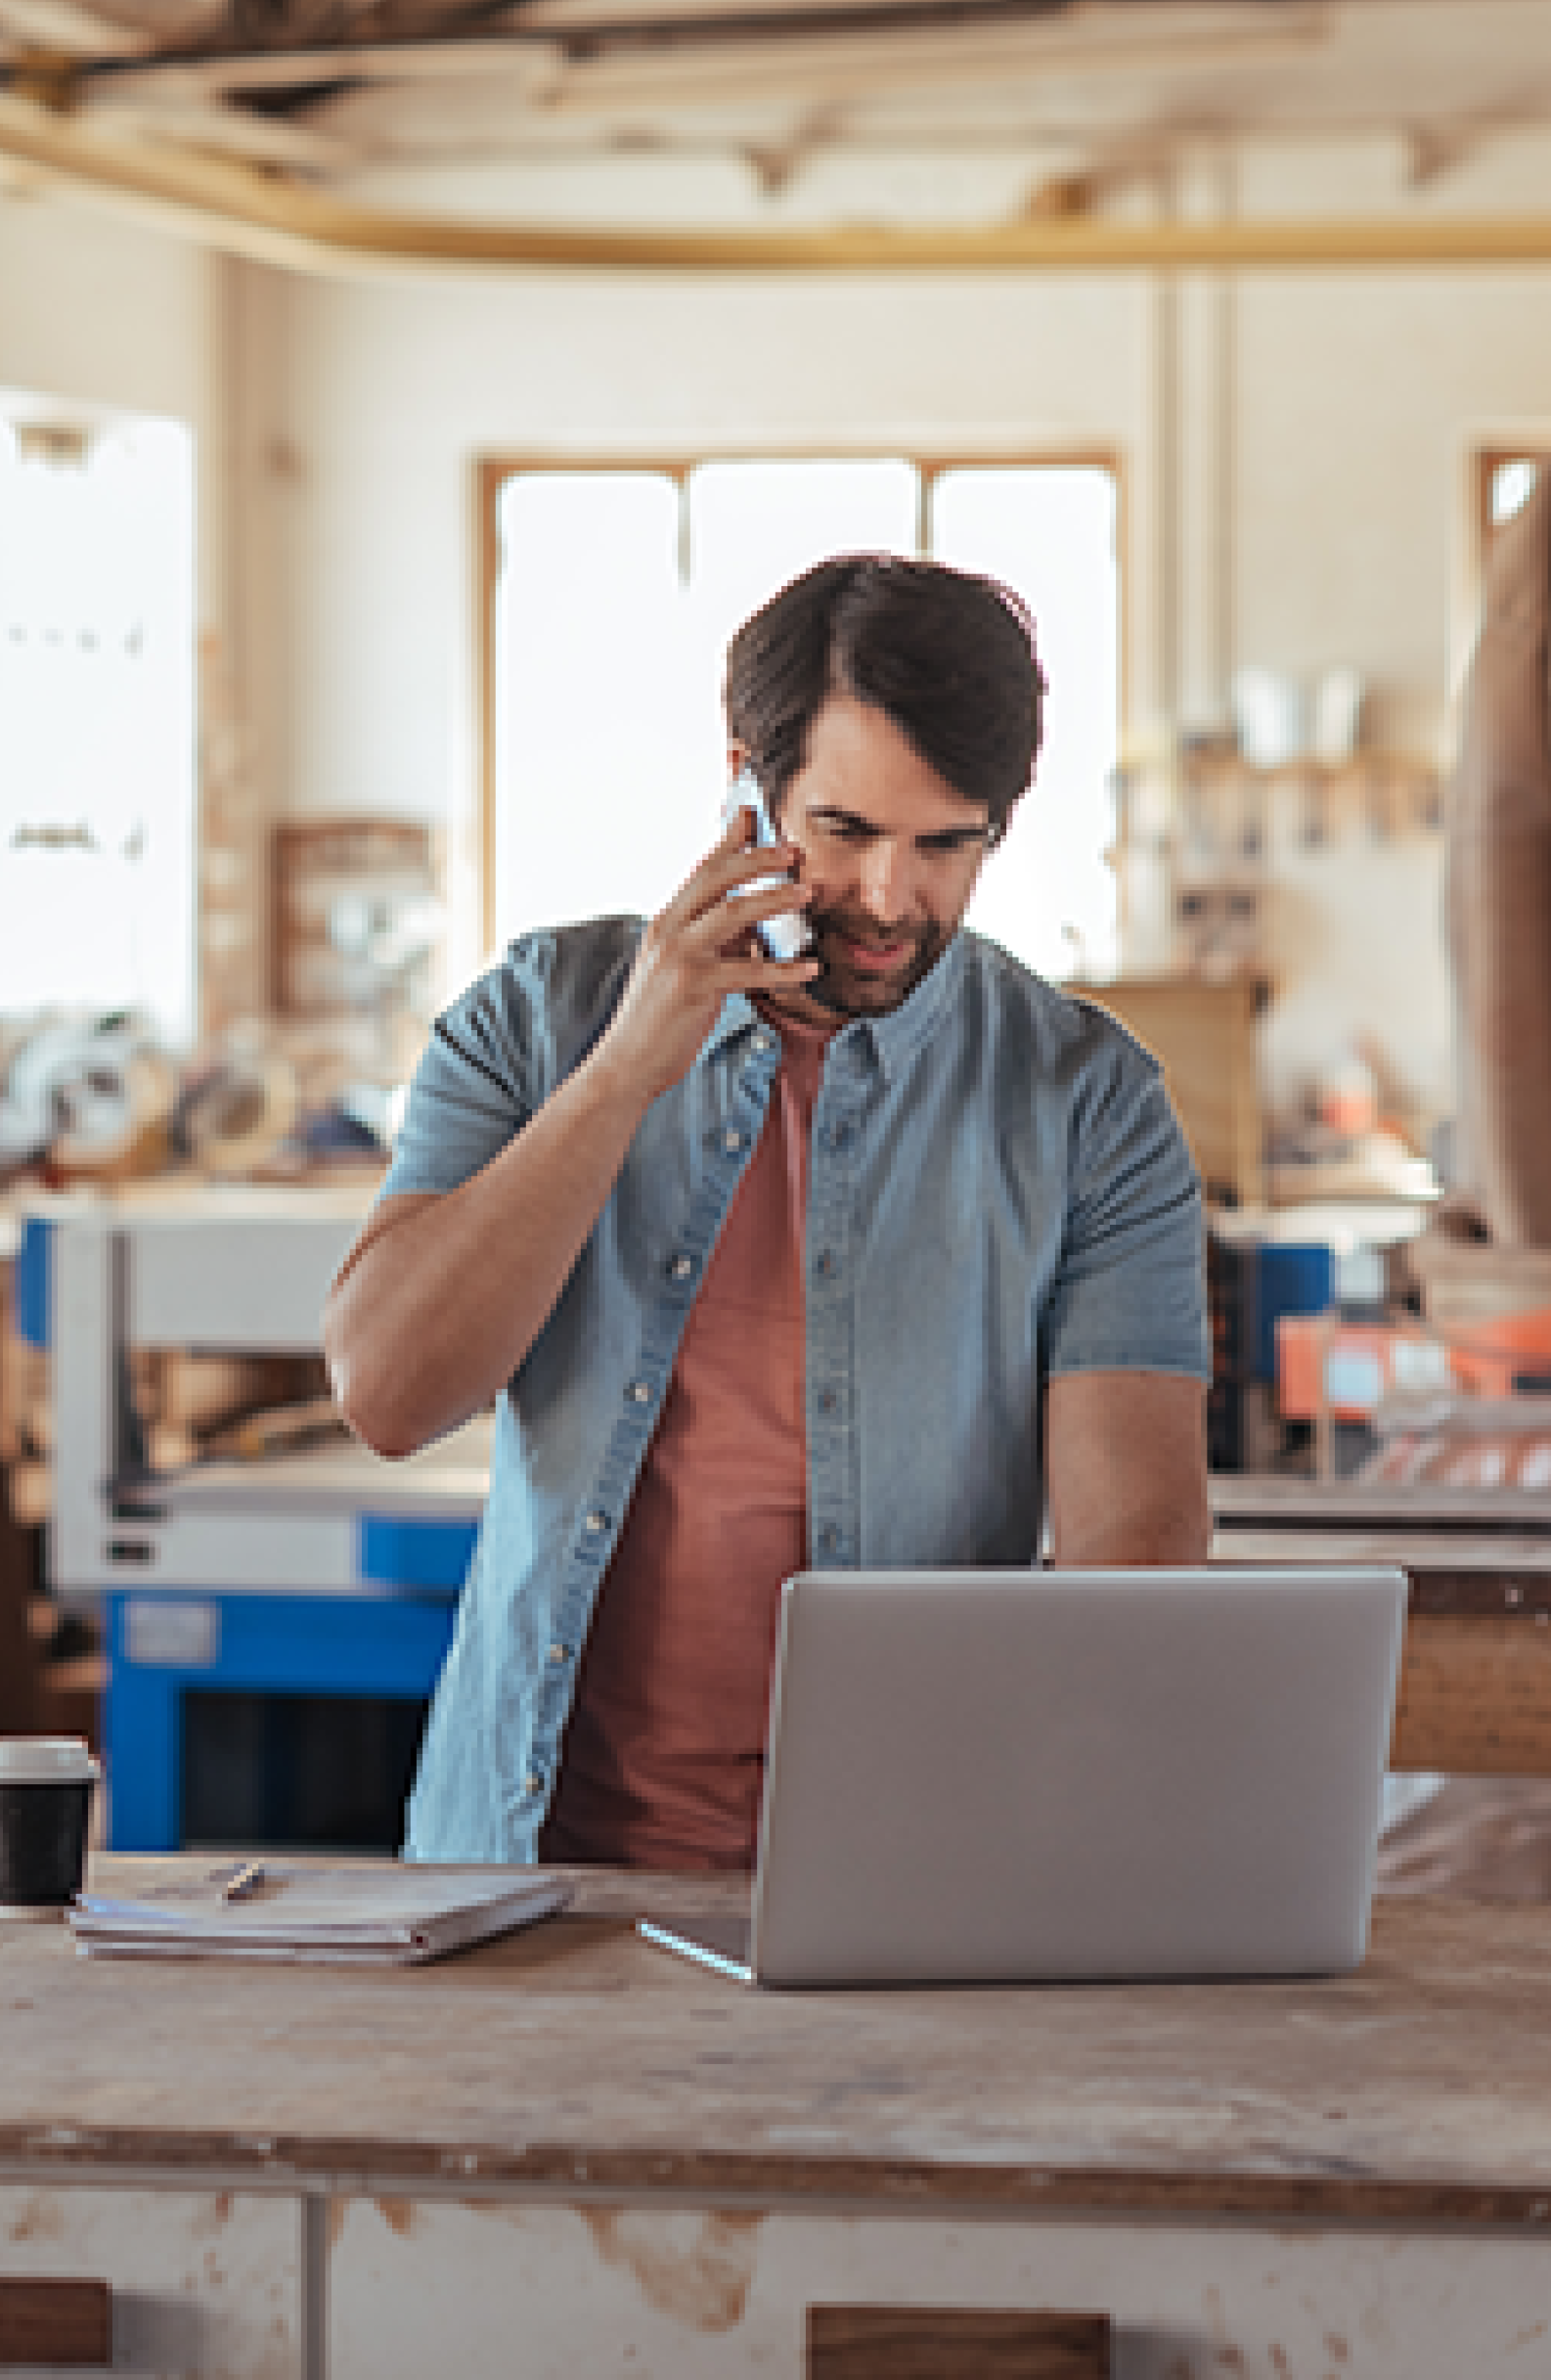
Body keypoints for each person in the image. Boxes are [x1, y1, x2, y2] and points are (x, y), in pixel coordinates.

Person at [323, 554, 1213, 1869]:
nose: (889, 899)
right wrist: (629, 1065)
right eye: (844, 831)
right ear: (744, 779)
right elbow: (388, 1392)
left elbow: (1127, 1553)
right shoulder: (535, 1018)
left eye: (944, 843)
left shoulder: (1087, 1104)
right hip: (526, 1874)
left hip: (903, 1877)